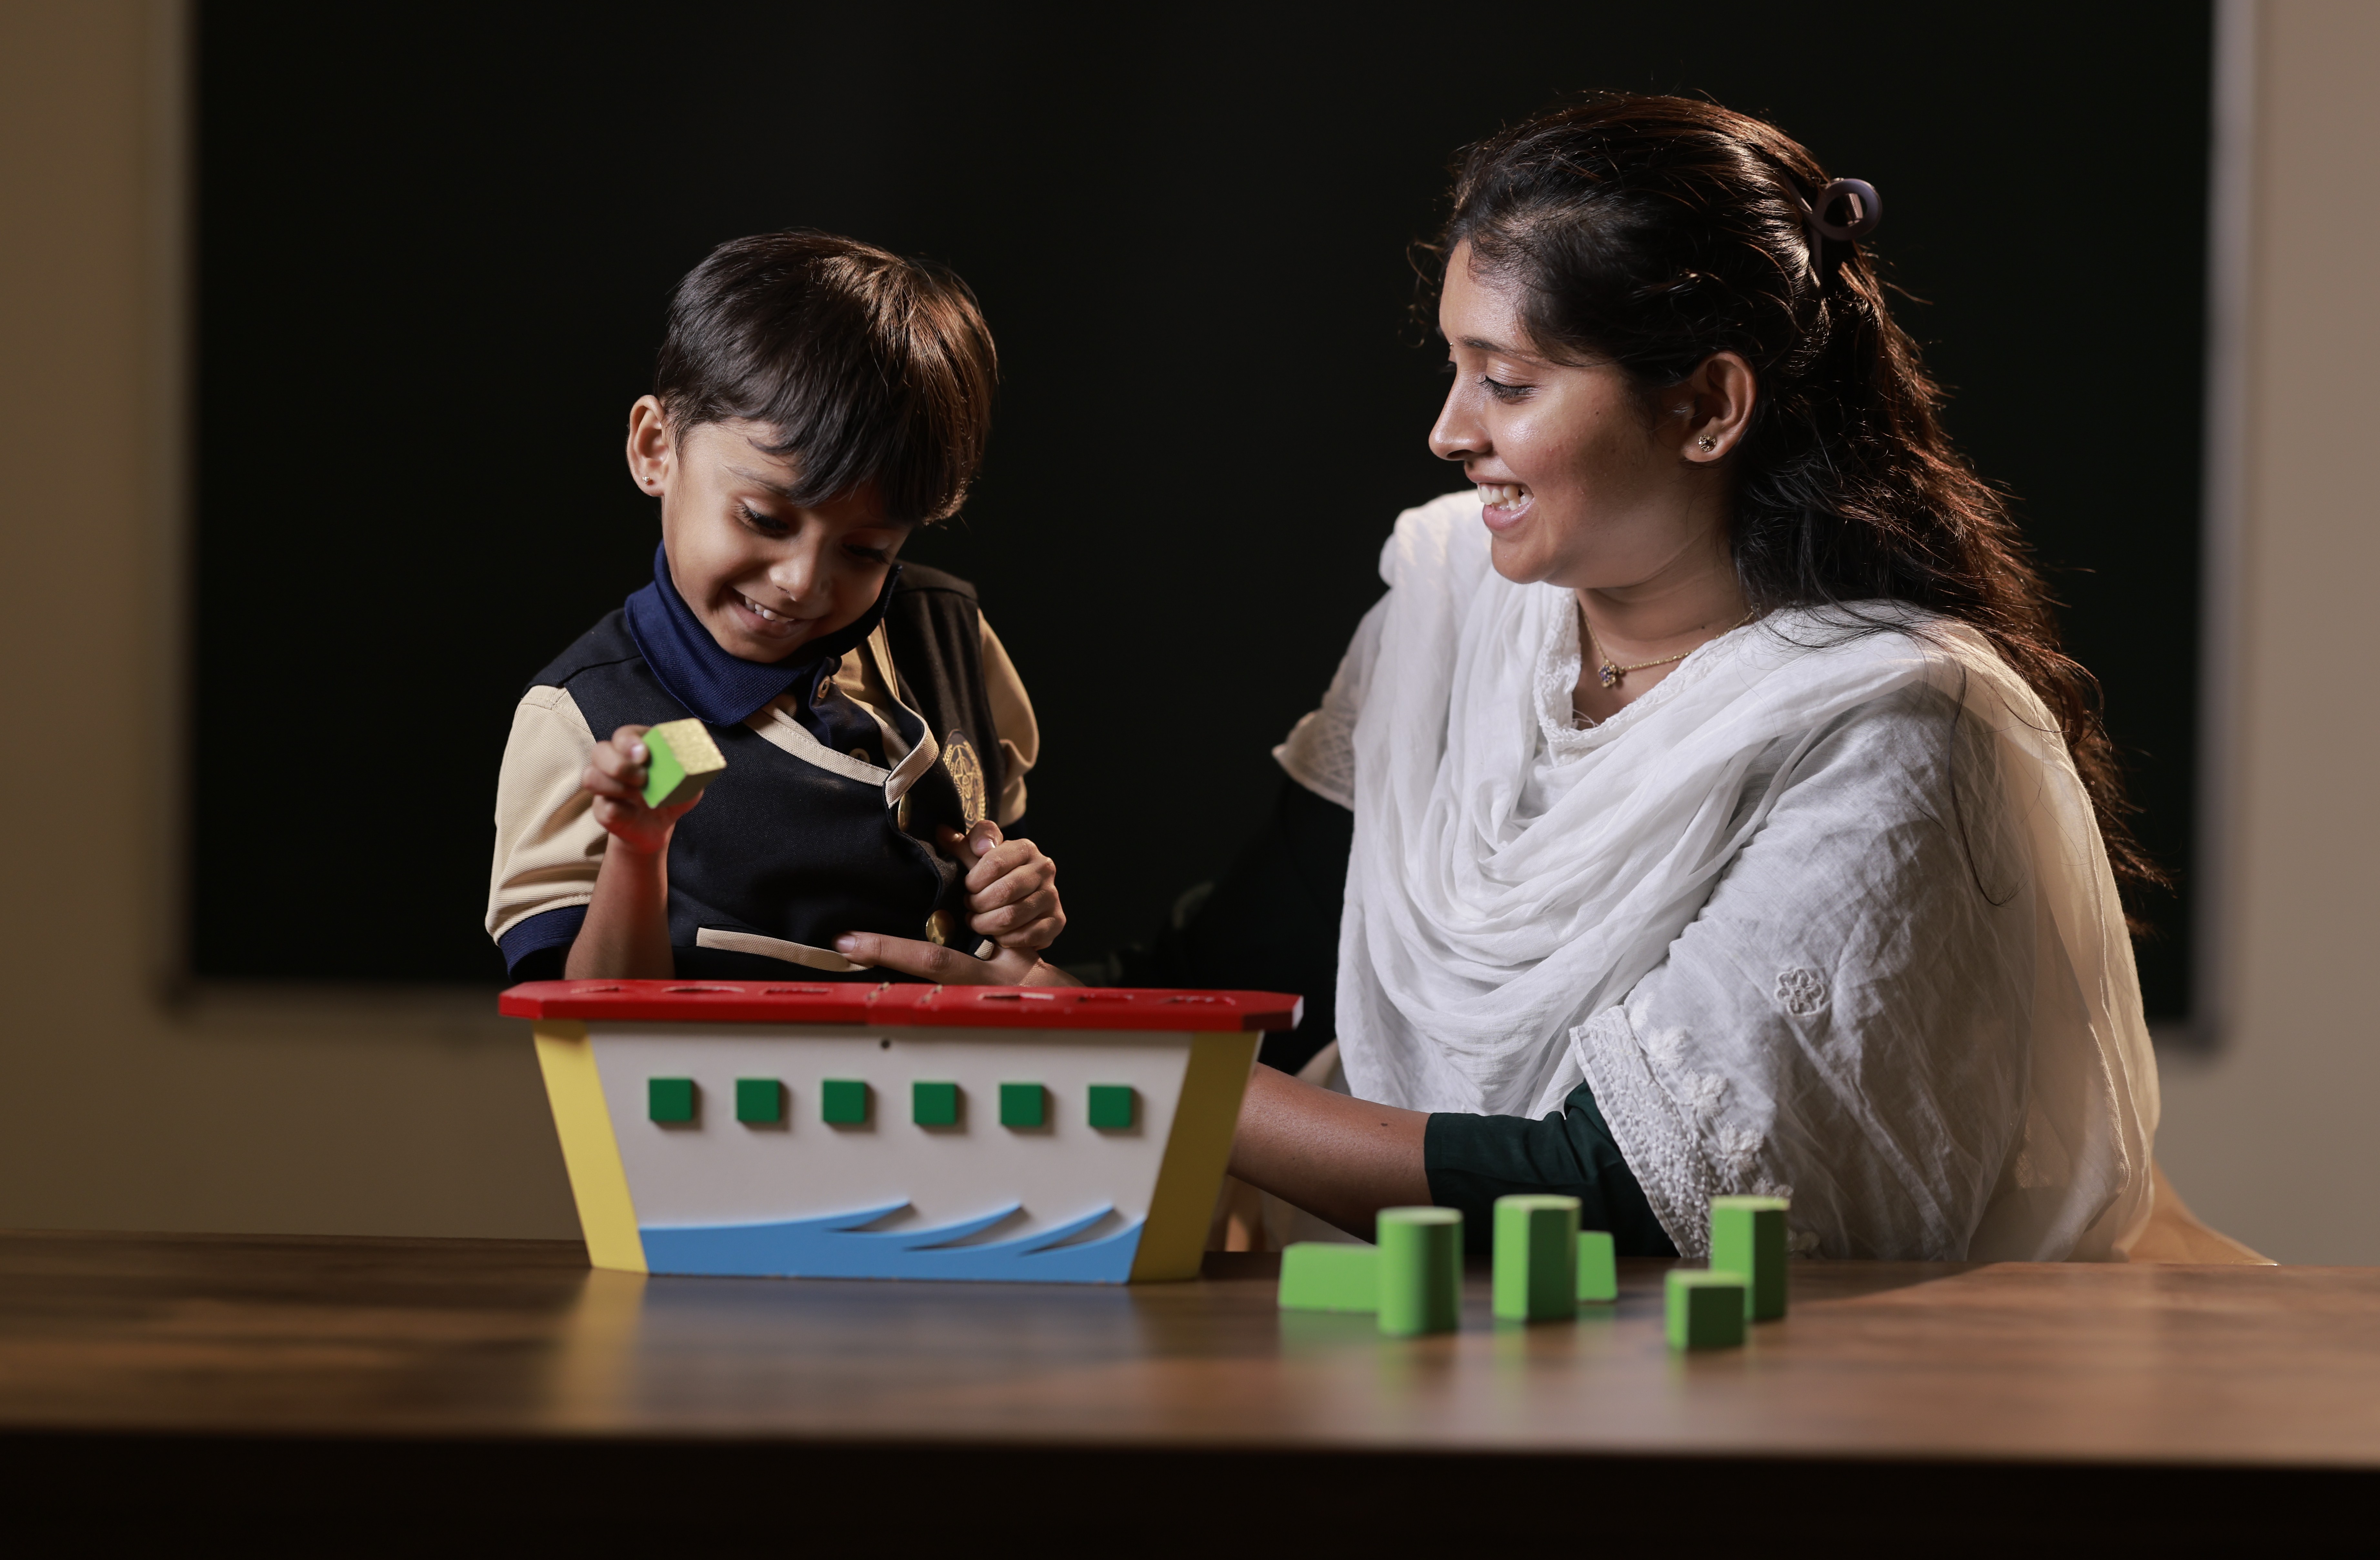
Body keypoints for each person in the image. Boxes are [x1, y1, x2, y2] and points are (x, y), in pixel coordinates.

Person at [1140, 95, 2227, 1263]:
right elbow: (1241, 976)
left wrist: (1149, 1089)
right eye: (1457, 368)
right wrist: (1005, 990)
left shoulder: (1886, 723)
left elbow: (1622, 1193)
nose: (1449, 429)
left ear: (1707, 407)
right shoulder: (1452, 605)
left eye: (1505, 382)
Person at [485, 231, 1066, 985]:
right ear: (656, 446)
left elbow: (1008, 911)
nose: (801, 581)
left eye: (865, 551)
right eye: (764, 517)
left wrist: (1015, 901)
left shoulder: (950, 633)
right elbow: (592, 1029)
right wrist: (637, 845)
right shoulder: (582, 716)